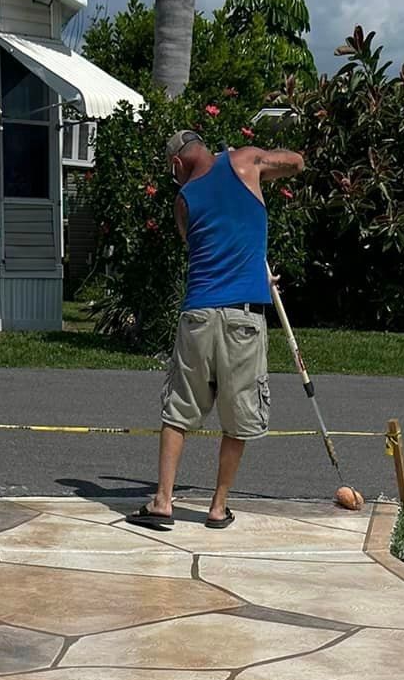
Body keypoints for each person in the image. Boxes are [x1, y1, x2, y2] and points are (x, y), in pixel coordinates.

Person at [127, 128, 305, 532]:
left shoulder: (183, 200)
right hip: (243, 316)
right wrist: (253, 161)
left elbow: (203, 248)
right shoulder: (245, 160)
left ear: (177, 163)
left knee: (179, 409)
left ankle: (162, 501)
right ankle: (217, 507)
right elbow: (296, 161)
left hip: (198, 316)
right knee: (238, 413)